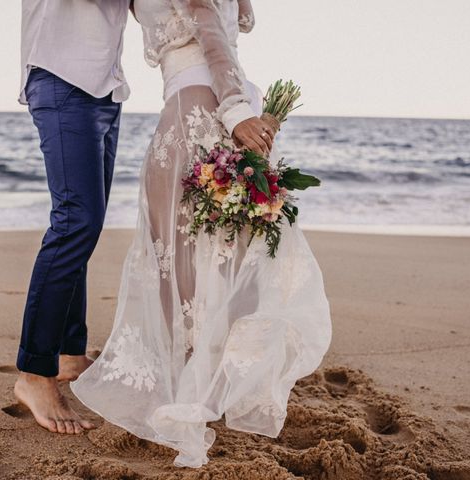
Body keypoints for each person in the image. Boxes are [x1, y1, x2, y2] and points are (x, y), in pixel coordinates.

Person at [71, 0, 332, 468]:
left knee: (182, 258)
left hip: (193, 108)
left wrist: (238, 111)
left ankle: (193, 382)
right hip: (210, 108)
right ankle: (206, 383)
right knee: (208, 255)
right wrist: (236, 110)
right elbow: (214, 23)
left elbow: (216, 24)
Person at [13, 0, 131, 435]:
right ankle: (33, 373)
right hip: (62, 76)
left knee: (86, 225)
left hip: (104, 86)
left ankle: (69, 354)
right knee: (75, 223)